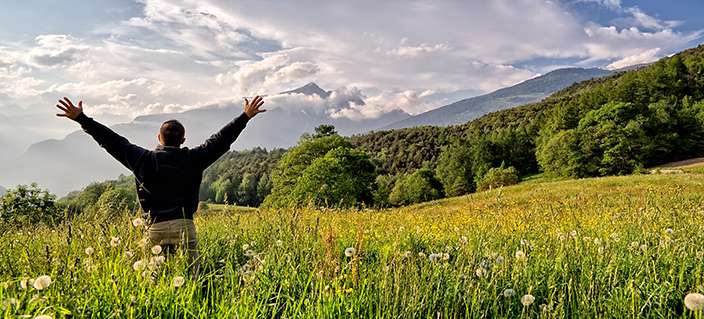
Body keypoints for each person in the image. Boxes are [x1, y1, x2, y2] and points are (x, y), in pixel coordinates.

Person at [55, 96, 266, 273]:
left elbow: (111, 140)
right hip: (185, 227)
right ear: (183, 140)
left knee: (154, 285)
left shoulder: (143, 160)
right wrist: (245, 116)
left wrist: (81, 118)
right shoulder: (194, 159)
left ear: (158, 138)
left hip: (154, 228)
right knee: (192, 284)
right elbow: (220, 140)